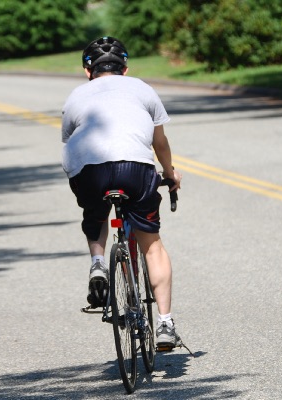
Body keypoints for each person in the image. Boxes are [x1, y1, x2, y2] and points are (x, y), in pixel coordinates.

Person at [61, 36, 183, 349]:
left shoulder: (76, 95)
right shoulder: (142, 88)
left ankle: (98, 263)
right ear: (125, 69)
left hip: (88, 170)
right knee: (152, 246)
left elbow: (70, 141)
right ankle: (165, 324)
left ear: (87, 70)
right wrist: (169, 174)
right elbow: (160, 143)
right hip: (135, 168)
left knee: (96, 212)